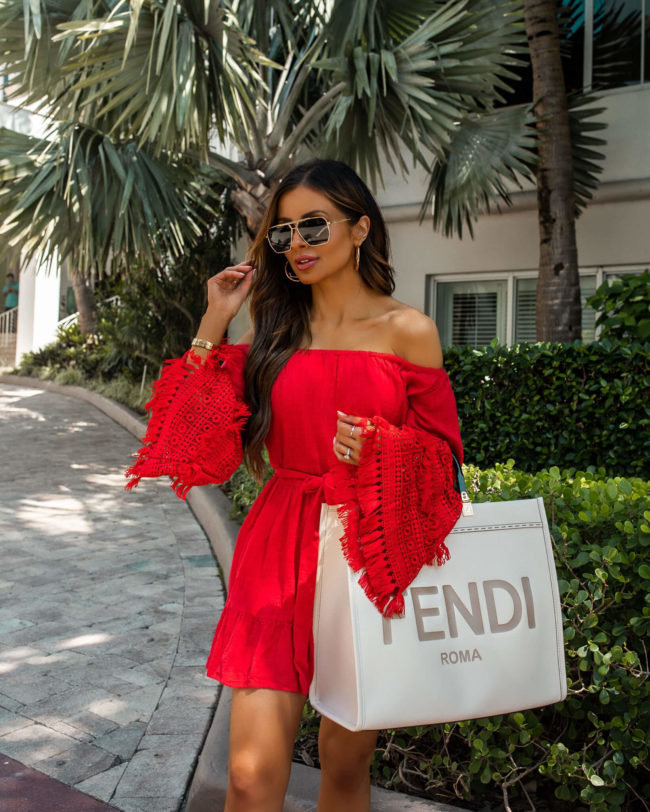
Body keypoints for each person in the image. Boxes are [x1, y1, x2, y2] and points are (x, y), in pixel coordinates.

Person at [126, 159, 464, 812]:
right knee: (249, 777)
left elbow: (446, 463)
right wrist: (213, 323)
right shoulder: (273, 333)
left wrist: (379, 453)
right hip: (277, 549)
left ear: (360, 228)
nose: (297, 245)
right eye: (283, 232)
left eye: (314, 226)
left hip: (366, 556)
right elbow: (185, 443)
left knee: (344, 763)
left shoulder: (409, 332)